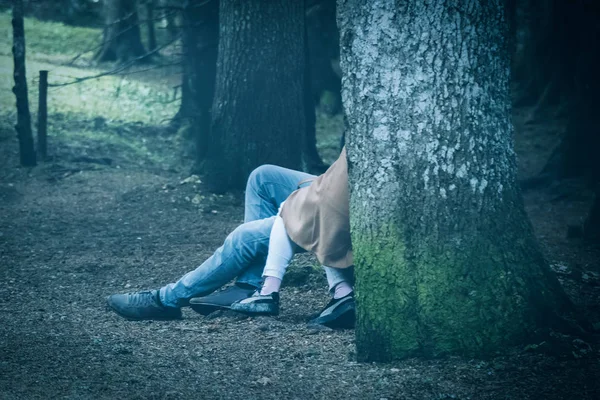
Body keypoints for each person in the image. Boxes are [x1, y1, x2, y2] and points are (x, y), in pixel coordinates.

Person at [106, 151, 355, 327]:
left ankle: (165, 301)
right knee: (263, 177)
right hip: (341, 179)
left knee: (244, 238)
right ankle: (249, 286)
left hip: (352, 198)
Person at [230, 147, 354, 329]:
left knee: (290, 208)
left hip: (345, 194)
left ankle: (268, 289)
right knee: (263, 177)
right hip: (345, 186)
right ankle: (342, 293)